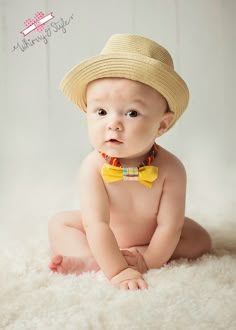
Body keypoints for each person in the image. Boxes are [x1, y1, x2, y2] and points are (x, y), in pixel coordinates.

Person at [48, 34, 211, 290]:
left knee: (200, 239)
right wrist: (118, 272)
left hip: (152, 236)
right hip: (101, 234)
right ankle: (94, 260)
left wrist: (149, 261)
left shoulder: (172, 168)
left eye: (132, 113)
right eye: (101, 111)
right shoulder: (93, 167)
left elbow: (170, 225)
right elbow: (96, 224)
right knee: (60, 224)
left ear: (162, 124)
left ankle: (137, 253)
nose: (112, 123)